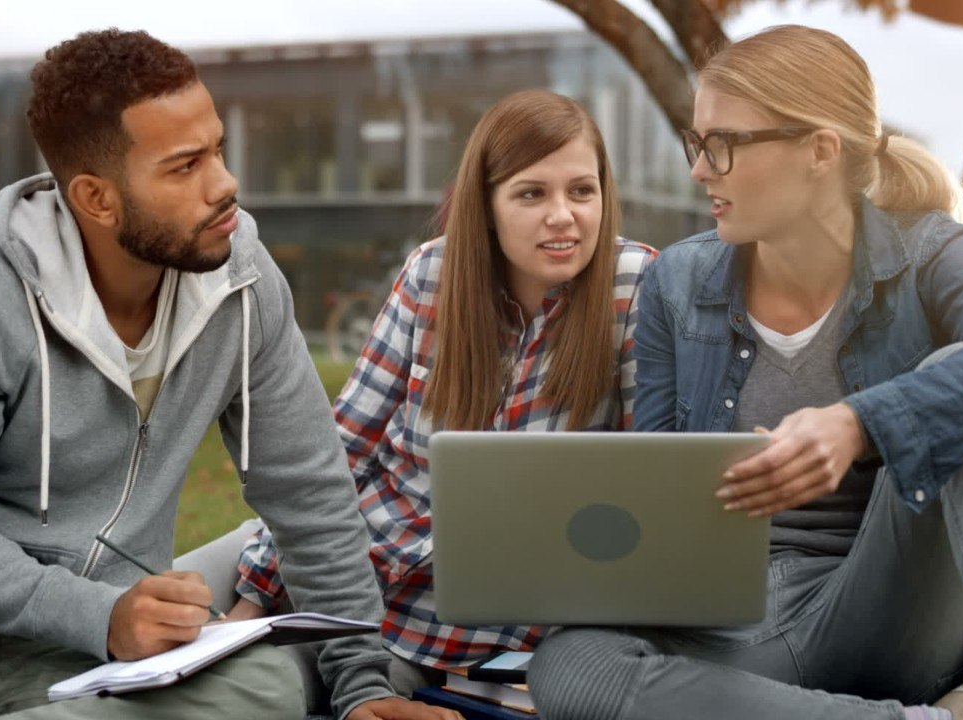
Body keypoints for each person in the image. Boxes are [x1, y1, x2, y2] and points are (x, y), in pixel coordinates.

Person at [0, 29, 456, 720]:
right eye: (185, 166)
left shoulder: (242, 281)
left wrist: (362, 685)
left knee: (273, 684)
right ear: (97, 199)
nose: (225, 183)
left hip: (96, 662)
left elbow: (312, 499)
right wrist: (99, 613)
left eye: (219, 149)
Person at [526, 25, 963, 720]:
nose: (700, 170)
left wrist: (857, 424)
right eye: (697, 142)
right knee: (566, 666)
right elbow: (661, 487)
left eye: (723, 144)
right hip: (732, 632)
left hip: (885, 616)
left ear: (819, 150)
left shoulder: (927, 253)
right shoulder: (676, 282)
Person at [226, 89, 658, 709]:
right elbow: (340, 452)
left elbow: (651, 485)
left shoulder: (637, 287)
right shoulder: (432, 273)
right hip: (366, 601)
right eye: (532, 193)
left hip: (510, 637)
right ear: (486, 206)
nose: (563, 215)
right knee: (226, 673)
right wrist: (253, 597)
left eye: (581, 191)